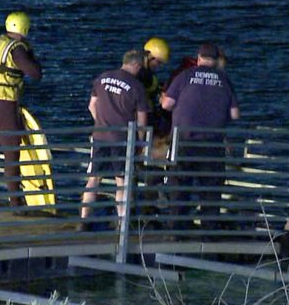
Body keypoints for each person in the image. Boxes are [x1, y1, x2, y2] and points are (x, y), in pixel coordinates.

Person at [160, 42, 239, 231]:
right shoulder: (224, 80)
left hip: (184, 141)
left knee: (179, 186)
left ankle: (175, 230)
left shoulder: (185, 75)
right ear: (215, 60)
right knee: (210, 190)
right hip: (212, 144)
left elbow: (167, 105)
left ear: (199, 58)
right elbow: (235, 114)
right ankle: (209, 231)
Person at [0, 11, 43, 208]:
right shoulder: (16, 48)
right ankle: (16, 202)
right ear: (25, 28)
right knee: (11, 152)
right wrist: (32, 56)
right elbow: (35, 73)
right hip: (3, 103)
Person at [79, 50, 149, 232]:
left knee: (93, 179)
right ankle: (122, 224)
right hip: (121, 139)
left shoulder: (102, 78)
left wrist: (100, 122)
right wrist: (139, 144)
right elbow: (142, 121)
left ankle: (83, 220)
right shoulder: (137, 87)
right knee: (122, 181)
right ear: (137, 65)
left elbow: (91, 105)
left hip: (100, 136)